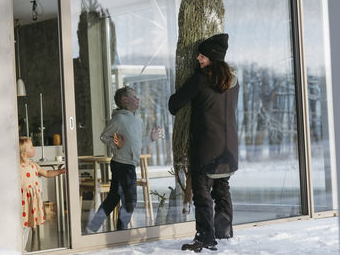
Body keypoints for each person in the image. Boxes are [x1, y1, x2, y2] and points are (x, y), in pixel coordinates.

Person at [168, 33, 239, 252]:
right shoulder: (233, 82)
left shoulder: (200, 79)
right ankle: (224, 231)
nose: (198, 58)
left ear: (212, 58)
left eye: (202, 55)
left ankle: (205, 237)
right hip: (228, 150)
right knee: (222, 188)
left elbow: (174, 104)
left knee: (202, 194)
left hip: (205, 148)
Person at [87, 86, 163, 232]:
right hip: (122, 165)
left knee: (113, 198)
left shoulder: (138, 120)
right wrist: (116, 145)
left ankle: (92, 227)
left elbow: (138, 142)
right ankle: (122, 232)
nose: (138, 99)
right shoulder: (120, 118)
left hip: (128, 165)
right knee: (130, 200)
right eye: (134, 96)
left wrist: (151, 139)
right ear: (125, 100)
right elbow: (104, 136)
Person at [19, 136, 66, 249]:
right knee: (22, 225)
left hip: (33, 200)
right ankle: (20, 248)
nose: (34, 148)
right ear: (24, 153)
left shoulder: (33, 165)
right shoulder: (17, 168)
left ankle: (23, 248)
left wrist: (59, 171)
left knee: (28, 225)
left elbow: (46, 173)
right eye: (31, 147)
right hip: (23, 201)